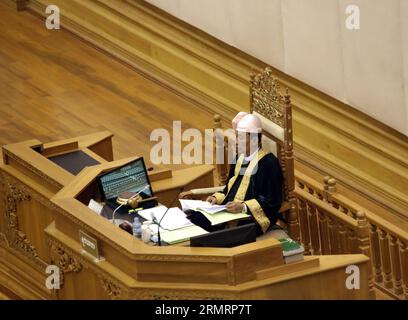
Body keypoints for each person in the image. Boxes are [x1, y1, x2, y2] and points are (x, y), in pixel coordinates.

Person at [189, 113, 284, 236]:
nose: (237, 142)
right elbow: (229, 188)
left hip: (250, 218)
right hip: (228, 212)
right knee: (195, 217)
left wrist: (243, 207)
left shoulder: (269, 163)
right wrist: (216, 198)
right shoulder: (239, 158)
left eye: (241, 138)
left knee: (226, 235)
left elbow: (273, 200)